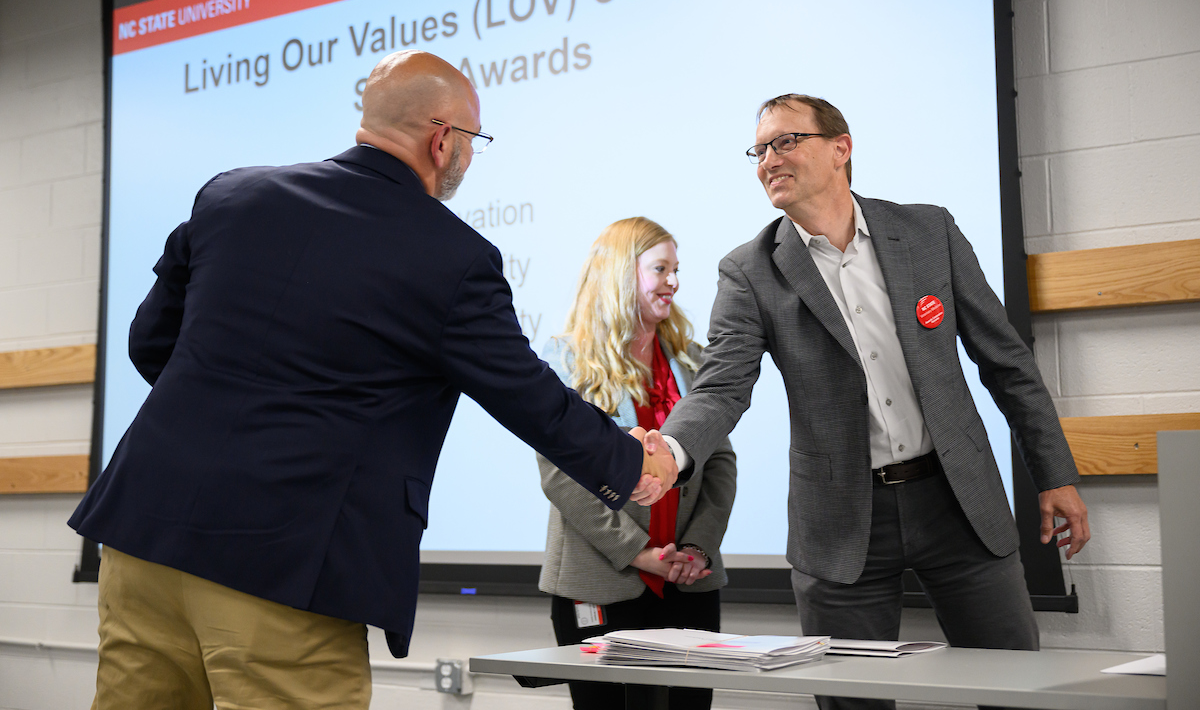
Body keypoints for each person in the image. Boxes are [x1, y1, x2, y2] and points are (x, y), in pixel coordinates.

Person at [67, 50, 678, 710]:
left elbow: (150, 343)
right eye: (473, 141)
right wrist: (631, 461)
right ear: (443, 140)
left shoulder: (231, 195)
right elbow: (528, 396)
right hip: (280, 562)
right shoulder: (453, 256)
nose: (470, 157)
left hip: (141, 538)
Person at [647, 95, 1090, 710]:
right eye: (759, 150)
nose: (768, 161)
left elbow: (1007, 362)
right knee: (852, 703)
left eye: (785, 142)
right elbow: (722, 385)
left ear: (841, 147)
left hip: (958, 503)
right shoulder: (749, 270)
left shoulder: (928, 230)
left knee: (1015, 692)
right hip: (843, 523)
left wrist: (1054, 473)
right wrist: (671, 449)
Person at [538, 217, 736, 710]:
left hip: (689, 581)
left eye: (676, 269)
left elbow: (721, 464)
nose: (673, 281)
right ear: (621, 275)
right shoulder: (567, 362)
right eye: (660, 269)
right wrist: (638, 552)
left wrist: (699, 548)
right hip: (601, 583)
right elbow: (561, 477)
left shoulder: (693, 362)